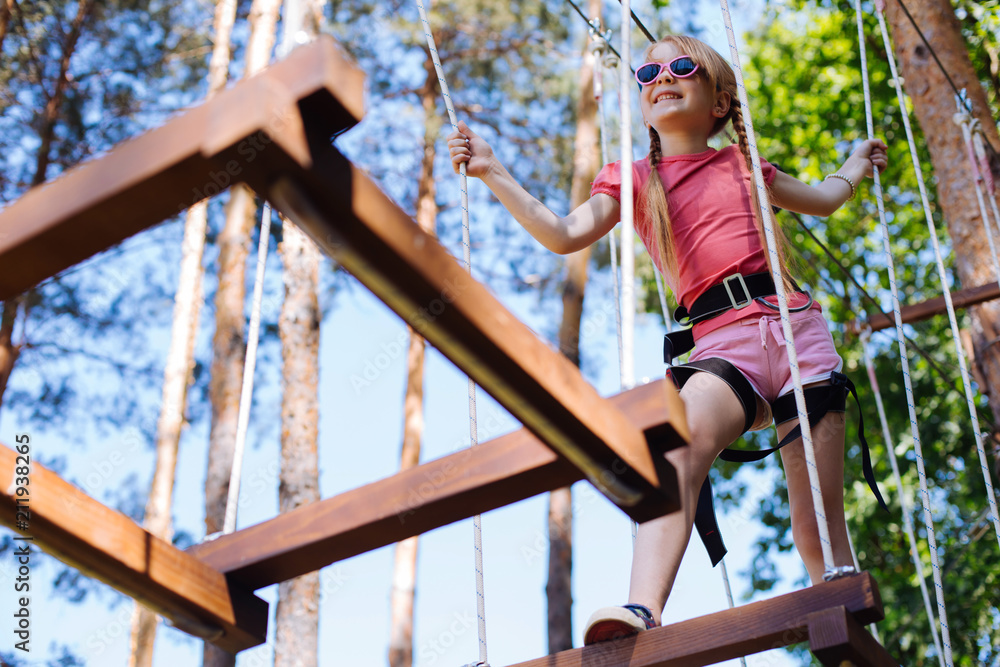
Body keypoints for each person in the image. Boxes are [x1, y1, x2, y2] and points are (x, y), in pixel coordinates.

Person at [447, 33, 887, 645]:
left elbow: (825, 199)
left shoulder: (746, 165)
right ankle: (643, 610)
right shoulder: (632, 180)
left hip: (796, 331)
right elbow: (563, 234)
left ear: (718, 102)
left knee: (815, 502)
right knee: (677, 453)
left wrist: (856, 162)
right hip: (721, 346)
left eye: (681, 67)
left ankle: (839, 604)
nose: (662, 78)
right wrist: (493, 170)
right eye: (648, 73)